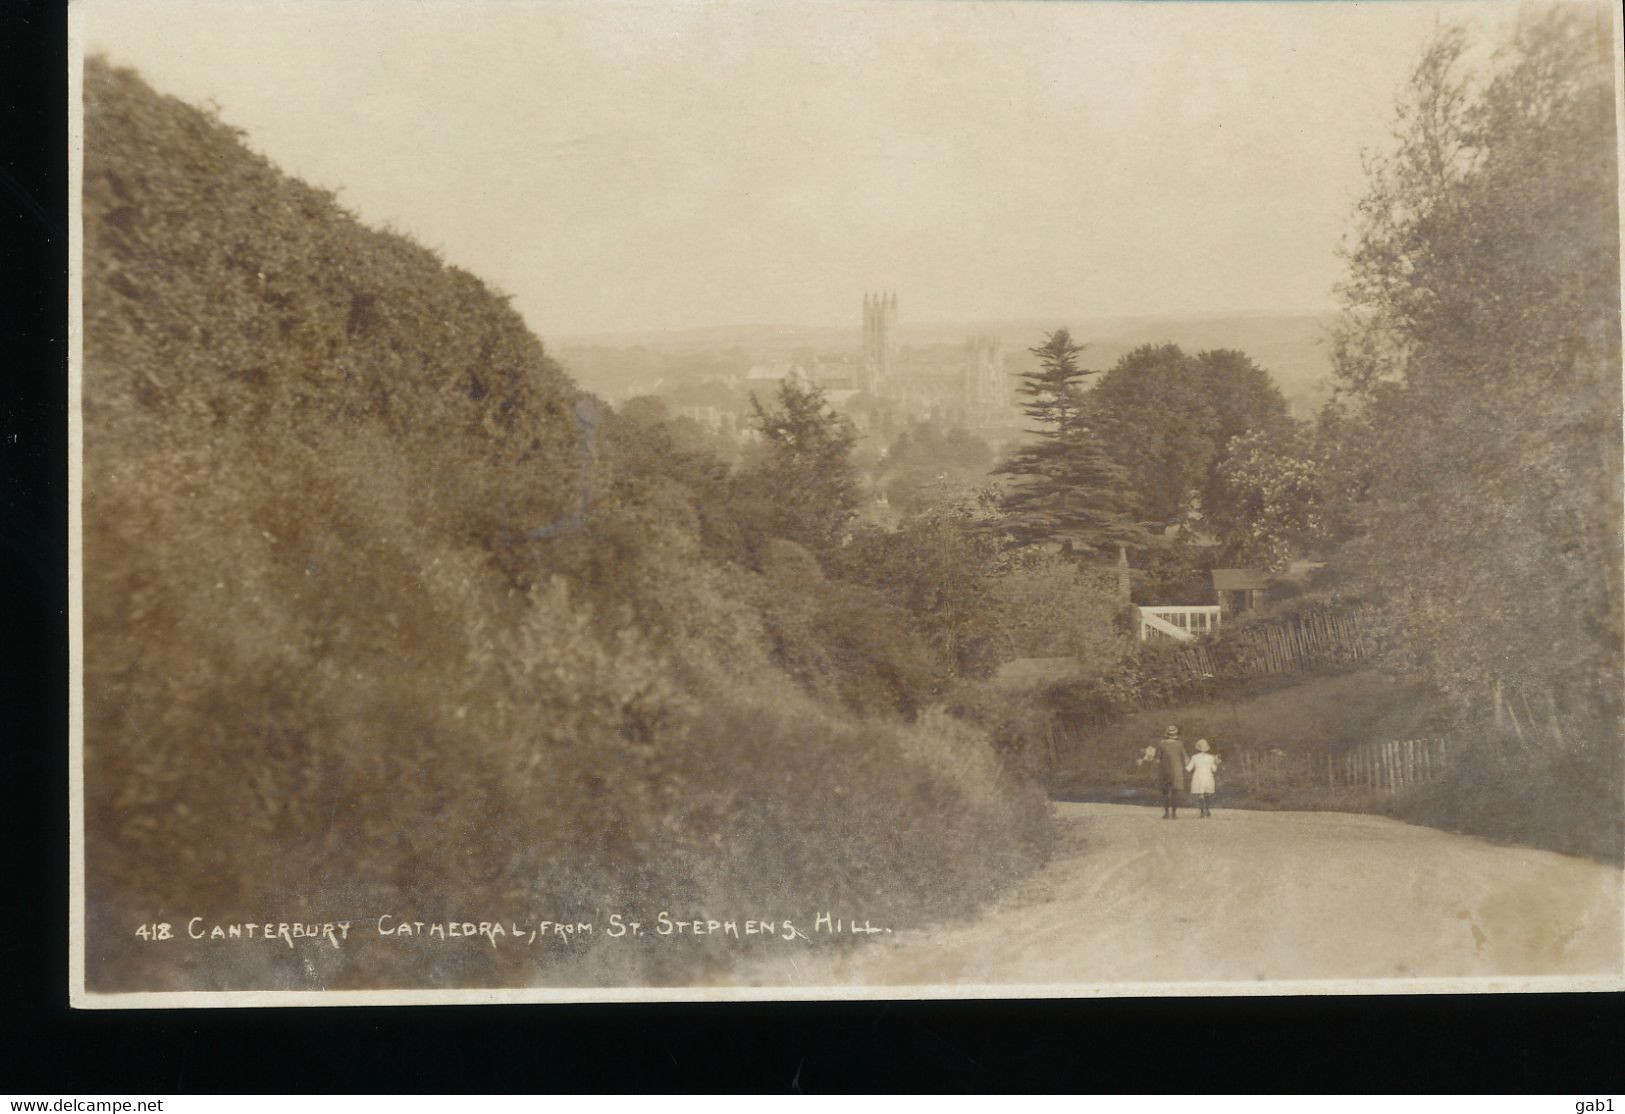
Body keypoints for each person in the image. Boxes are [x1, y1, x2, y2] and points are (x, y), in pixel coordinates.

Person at [1154, 725, 1188, 819]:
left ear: (1167, 734)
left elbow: (1157, 759)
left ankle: (1166, 813)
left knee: (1165, 792)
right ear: (1176, 735)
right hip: (1176, 770)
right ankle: (1174, 813)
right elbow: (1185, 757)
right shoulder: (1180, 744)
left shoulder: (1161, 744)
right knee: (1175, 792)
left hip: (1165, 770)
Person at [1186, 738, 1220, 818]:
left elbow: (1189, 768)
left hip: (1198, 775)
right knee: (1207, 793)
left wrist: (1186, 761)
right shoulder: (1211, 757)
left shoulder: (1194, 757)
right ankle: (1207, 810)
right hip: (1208, 775)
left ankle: (1202, 812)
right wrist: (1217, 763)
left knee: (1200, 794)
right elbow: (1214, 769)